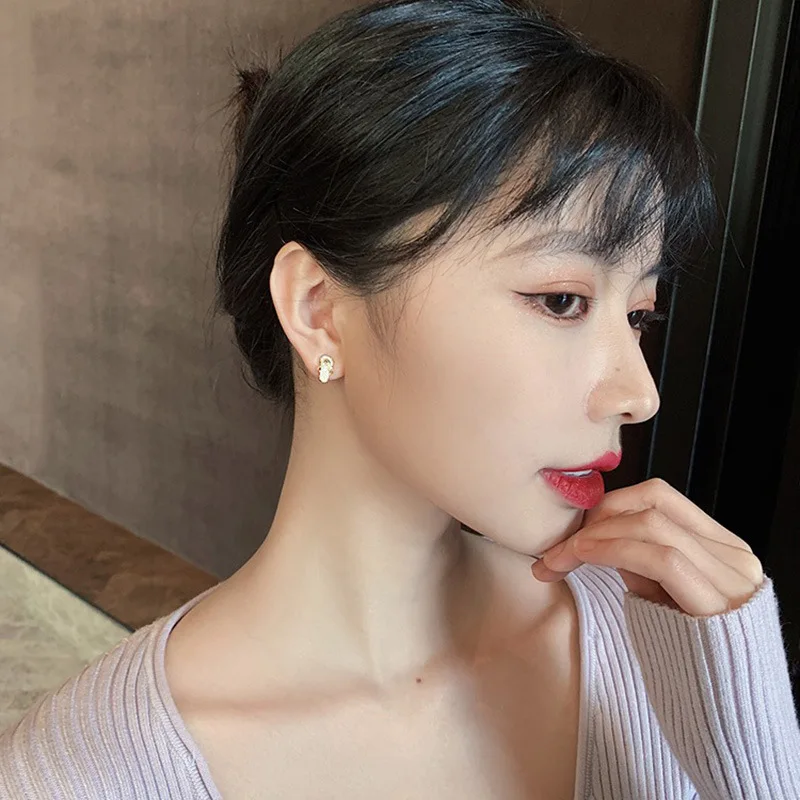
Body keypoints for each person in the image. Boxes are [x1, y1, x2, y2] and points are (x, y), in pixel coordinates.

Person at [2, 0, 799, 797]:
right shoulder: (81, 775)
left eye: (639, 315)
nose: (639, 394)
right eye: (562, 300)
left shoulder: (668, 638)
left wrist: (751, 736)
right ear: (319, 309)